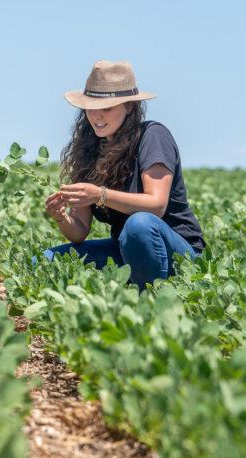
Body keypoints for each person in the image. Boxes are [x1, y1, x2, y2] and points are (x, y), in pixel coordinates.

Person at [42, 60, 205, 290]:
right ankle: (134, 285)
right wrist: (61, 217)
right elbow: (79, 231)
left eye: (107, 108)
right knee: (45, 261)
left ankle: (151, 299)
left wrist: (100, 195)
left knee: (139, 225)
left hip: (180, 256)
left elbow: (156, 206)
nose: (97, 116)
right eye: (91, 107)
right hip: (127, 250)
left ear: (129, 106)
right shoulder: (88, 150)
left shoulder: (153, 136)